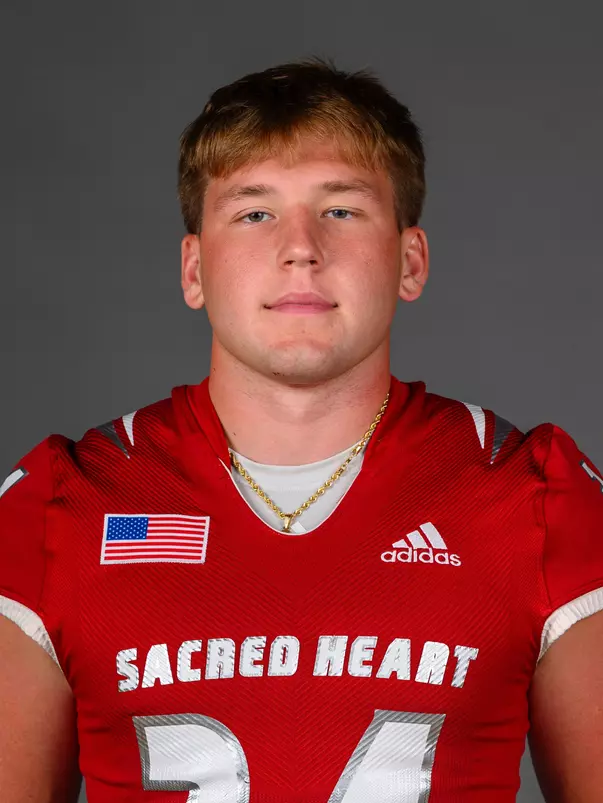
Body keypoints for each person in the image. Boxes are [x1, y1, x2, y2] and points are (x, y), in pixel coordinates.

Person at [1, 57, 602, 803]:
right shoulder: (62, 504)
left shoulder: (534, 494)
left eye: (341, 210)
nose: (300, 248)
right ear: (193, 269)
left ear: (409, 260)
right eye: (254, 212)